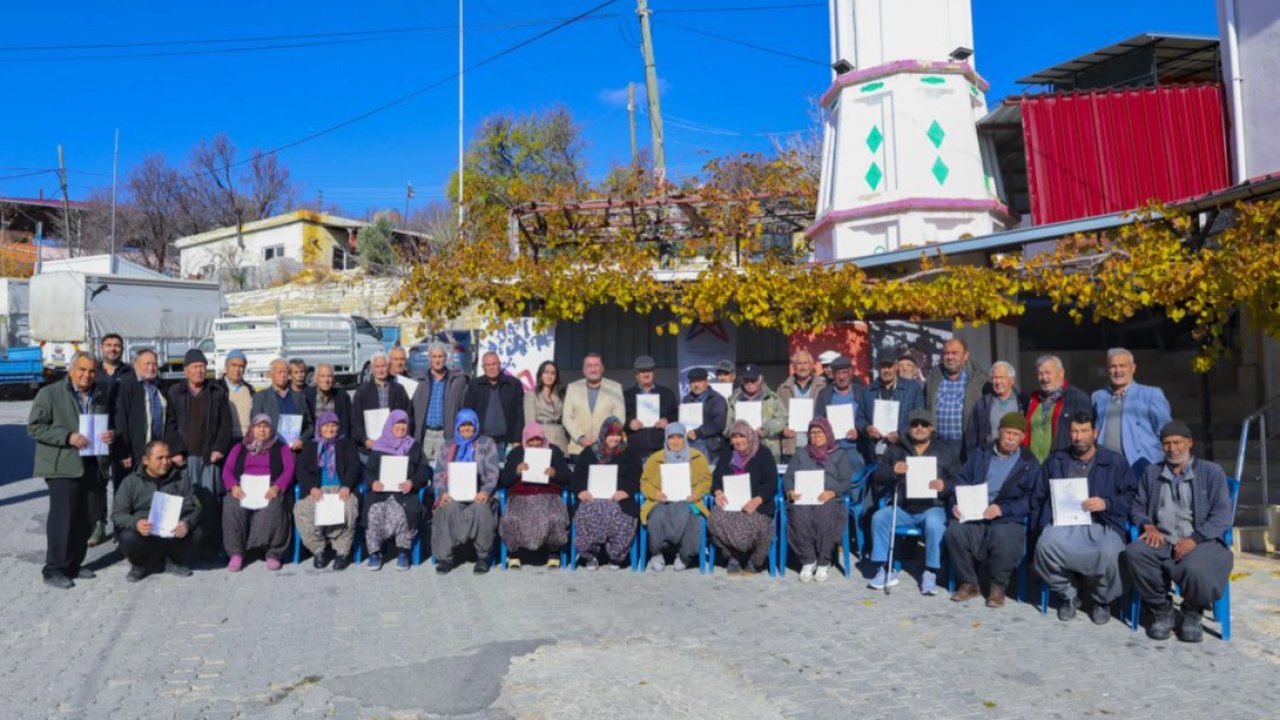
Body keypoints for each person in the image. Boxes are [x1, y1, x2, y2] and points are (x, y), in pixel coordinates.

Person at [1125, 421, 1234, 643]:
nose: (1172, 448)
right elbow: (1137, 506)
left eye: (1177, 442)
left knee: (1197, 567)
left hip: (1201, 540)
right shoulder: (1152, 472)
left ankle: (1192, 611)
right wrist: (1148, 524)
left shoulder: (1211, 472)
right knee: (1135, 552)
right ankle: (1161, 608)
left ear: (1190, 443)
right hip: (1162, 538)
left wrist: (1195, 539)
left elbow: (1222, 514)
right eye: (1166, 443)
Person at [1034, 412, 1136, 624]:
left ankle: (1102, 600)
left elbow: (1131, 498)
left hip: (1101, 522)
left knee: (1112, 553)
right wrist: (1044, 524)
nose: (1078, 437)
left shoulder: (1114, 462)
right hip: (1064, 522)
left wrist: (1106, 503)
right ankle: (1069, 594)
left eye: (1083, 431)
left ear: (1095, 433)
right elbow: (1039, 495)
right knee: (1044, 546)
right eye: (1074, 431)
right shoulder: (1056, 460)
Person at [28, 351, 113, 589]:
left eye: (91, 371)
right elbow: (34, 428)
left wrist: (109, 435)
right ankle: (53, 568)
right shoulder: (51, 393)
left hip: (92, 462)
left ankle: (74, 563)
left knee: (86, 517)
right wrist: (67, 436)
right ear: (71, 370)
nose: (87, 375)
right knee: (63, 518)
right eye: (82, 370)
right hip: (62, 465)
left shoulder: (99, 394)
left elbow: (105, 423)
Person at [945, 412, 1043, 607]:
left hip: (1006, 516)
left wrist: (1003, 509)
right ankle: (970, 582)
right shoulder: (980, 454)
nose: (1011, 438)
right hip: (975, 512)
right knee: (954, 532)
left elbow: (1032, 499)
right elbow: (961, 480)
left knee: (1006, 538)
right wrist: (956, 503)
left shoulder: (1029, 463)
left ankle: (998, 587)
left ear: (1022, 437)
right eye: (1008, 433)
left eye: (1016, 435)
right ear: (999, 432)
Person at [868, 409, 959, 595]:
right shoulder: (896, 449)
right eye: (914, 424)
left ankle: (930, 571)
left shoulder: (945, 450)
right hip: (903, 507)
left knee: (935, 525)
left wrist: (945, 485)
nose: (919, 428)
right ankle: (885, 567)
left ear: (931, 428)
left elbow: (959, 479)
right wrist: (893, 470)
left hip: (932, 507)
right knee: (879, 518)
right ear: (908, 427)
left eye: (924, 424)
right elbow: (877, 476)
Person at [164, 349, 231, 556]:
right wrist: (175, 451)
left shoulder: (216, 392)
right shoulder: (175, 392)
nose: (199, 371)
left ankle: (211, 546)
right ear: (186, 370)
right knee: (188, 501)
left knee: (210, 502)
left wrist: (219, 448)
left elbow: (225, 424)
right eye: (195, 367)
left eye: (202, 366)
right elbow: (170, 424)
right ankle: (187, 545)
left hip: (209, 456)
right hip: (185, 457)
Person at [112, 440, 199, 582]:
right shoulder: (130, 482)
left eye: (168, 457)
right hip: (144, 533)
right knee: (127, 537)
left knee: (197, 533)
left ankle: (171, 562)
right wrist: (136, 523)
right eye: (160, 458)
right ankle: (140, 565)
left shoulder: (181, 478)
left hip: (171, 533)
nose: (166, 462)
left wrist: (186, 523)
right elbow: (117, 514)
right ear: (146, 460)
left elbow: (196, 506)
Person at [106, 348, 167, 547]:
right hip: (132, 452)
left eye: (154, 364)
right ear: (136, 365)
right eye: (147, 363)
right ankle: (123, 536)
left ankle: (151, 532)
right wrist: (122, 451)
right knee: (126, 493)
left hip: (156, 453)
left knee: (150, 494)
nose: (151, 367)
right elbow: (119, 418)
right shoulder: (126, 385)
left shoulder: (160, 386)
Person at [784, 418, 855, 583]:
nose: (815, 436)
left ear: (827, 433)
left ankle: (824, 561)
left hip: (829, 498)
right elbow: (788, 477)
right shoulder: (801, 453)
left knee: (824, 515)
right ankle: (808, 560)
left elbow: (846, 481)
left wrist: (832, 492)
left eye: (819, 432)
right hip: (804, 498)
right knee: (798, 513)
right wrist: (790, 491)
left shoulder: (838, 454)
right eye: (812, 433)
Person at [221, 414, 294, 572]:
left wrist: (277, 487)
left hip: (269, 488)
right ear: (252, 429)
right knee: (231, 504)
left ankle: (273, 553)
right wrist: (233, 486)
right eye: (258, 426)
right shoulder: (239, 447)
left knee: (274, 506)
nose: (262, 430)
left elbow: (289, 469)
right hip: (243, 488)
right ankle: (236, 553)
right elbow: (227, 470)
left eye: (266, 426)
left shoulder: (281, 447)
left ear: (271, 429)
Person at [431, 409, 501, 574]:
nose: (466, 428)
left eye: (470, 424)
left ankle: (483, 558)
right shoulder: (447, 445)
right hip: (453, 496)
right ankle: (445, 558)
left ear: (476, 425)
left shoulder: (487, 443)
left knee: (481, 508)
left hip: (478, 495)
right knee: (447, 508)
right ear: (457, 427)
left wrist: (486, 491)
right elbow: (439, 475)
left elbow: (493, 472)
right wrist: (442, 493)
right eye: (463, 425)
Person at [363, 410, 432, 572]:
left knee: (405, 512)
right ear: (390, 425)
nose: (401, 427)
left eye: (404, 423)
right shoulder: (379, 446)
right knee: (374, 510)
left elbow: (424, 470)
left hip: (405, 493)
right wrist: (373, 483)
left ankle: (403, 552)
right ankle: (374, 552)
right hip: (381, 493)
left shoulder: (413, 446)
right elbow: (368, 470)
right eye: (397, 423)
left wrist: (412, 482)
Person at [497, 422, 573, 568]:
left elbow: (568, 477)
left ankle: (553, 552)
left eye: (538, 439)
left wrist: (555, 473)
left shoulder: (554, 451)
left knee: (555, 517)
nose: (535, 443)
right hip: (521, 496)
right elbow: (503, 480)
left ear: (543, 439)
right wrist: (516, 472)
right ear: (526, 439)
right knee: (511, 518)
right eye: (531, 440)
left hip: (548, 495)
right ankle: (514, 553)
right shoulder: (516, 453)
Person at [293, 412, 361, 571]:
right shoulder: (310, 445)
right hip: (318, 489)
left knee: (349, 509)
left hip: (341, 488)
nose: (330, 429)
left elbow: (354, 466)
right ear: (319, 428)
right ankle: (319, 550)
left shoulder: (347, 443)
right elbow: (301, 471)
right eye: (326, 425)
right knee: (303, 511)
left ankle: (342, 552)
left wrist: (347, 486)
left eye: (333, 425)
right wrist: (312, 487)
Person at [641, 423, 713, 572]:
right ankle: (657, 553)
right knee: (656, 517)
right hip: (663, 501)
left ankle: (684, 556)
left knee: (694, 519)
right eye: (671, 438)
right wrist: (656, 494)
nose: (675, 441)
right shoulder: (655, 458)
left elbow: (706, 479)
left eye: (679, 437)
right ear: (666, 439)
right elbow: (645, 481)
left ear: (685, 438)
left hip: (688, 500)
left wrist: (696, 494)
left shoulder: (697, 457)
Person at [571, 417, 641, 569]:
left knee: (619, 513)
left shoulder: (630, 453)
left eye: (618, 435)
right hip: (592, 498)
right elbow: (577, 477)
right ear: (603, 434)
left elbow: (637, 478)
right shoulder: (589, 453)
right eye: (611, 435)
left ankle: (616, 555)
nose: (615, 439)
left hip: (618, 500)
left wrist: (627, 491)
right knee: (588, 511)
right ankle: (590, 555)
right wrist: (581, 491)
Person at [709, 421, 777, 575]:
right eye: (734, 437)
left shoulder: (763, 454)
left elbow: (771, 483)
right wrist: (718, 492)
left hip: (756, 504)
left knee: (757, 525)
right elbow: (716, 477)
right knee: (714, 520)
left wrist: (757, 500)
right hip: (731, 504)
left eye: (741, 436)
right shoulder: (727, 453)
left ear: (749, 436)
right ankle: (733, 556)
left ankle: (753, 560)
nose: (737, 441)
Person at [1092, 348, 1172, 477]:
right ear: (1107, 370)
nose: (1118, 371)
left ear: (1133, 368)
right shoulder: (1098, 397)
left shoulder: (1151, 394)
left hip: (1142, 465)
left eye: (1122, 366)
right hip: (1107, 468)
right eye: (1113, 366)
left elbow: (1166, 432)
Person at [1024, 354, 1092, 463]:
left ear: (1061, 373)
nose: (1044, 378)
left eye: (1048, 373)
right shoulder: (1033, 400)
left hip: (1062, 464)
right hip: (1033, 466)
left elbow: (1085, 436)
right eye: (1040, 374)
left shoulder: (1077, 398)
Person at [924, 338, 990, 450]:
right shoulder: (933, 377)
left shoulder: (980, 379)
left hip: (967, 445)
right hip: (938, 444)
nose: (950, 357)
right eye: (946, 353)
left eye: (955, 353)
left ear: (965, 355)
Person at [410, 341, 469, 464]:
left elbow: (463, 406)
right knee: (422, 469)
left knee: (442, 472)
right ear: (429, 358)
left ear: (446, 358)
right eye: (434, 356)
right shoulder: (418, 380)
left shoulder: (457, 381)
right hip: (424, 434)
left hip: (445, 434)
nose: (437, 360)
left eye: (440, 356)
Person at [860, 350, 924, 461]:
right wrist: (867, 428)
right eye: (882, 367)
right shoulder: (867, 391)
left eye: (889, 366)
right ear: (877, 368)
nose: (886, 370)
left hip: (904, 448)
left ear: (896, 367)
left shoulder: (912, 388)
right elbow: (859, 416)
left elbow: (919, 415)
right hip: (876, 450)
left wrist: (901, 434)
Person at [564, 353, 626, 457]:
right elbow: (567, 417)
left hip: (607, 449)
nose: (593, 370)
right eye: (589, 366)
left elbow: (620, 418)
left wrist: (604, 438)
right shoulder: (573, 388)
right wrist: (580, 438)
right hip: (579, 449)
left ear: (602, 368)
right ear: (583, 370)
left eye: (596, 365)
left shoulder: (615, 388)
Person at [964, 361, 1028, 458]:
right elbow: (971, 438)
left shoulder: (1023, 402)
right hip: (988, 456)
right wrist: (973, 460)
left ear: (1012, 380)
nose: (997, 382)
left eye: (1001, 377)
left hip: (1015, 457)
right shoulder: (982, 404)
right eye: (994, 378)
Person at [350, 352, 411, 452]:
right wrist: (364, 440)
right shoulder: (362, 392)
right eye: (377, 366)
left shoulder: (399, 390)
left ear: (388, 367)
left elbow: (408, 417)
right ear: (372, 369)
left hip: (395, 446)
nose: (380, 370)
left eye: (383, 366)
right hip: (370, 448)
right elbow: (355, 422)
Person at [724, 364, 787, 461]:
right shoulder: (733, 399)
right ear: (741, 380)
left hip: (768, 447)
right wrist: (738, 433)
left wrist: (766, 429)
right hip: (741, 449)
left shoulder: (772, 398)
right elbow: (727, 426)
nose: (749, 383)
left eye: (753, 380)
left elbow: (783, 419)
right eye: (746, 380)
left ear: (760, 379)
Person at [250, 358, 313, 453]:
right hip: (270, 451)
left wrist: (302, 440)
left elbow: (309, 425)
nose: (283, 375)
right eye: (280, 372)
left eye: (286, 372)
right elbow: (255, 426)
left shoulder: (300, 398)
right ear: (271, 374)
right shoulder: (260, 397)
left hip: (295, 452)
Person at [463, 351, 525, 448]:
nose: (491, 368)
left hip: (506, 442)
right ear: (483, 367)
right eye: (488, 365)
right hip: (480, 441)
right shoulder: (475, 385)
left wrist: (517, 439)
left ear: (499, 365)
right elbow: (467, 413)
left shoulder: (513, 384)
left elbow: (520, 415)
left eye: (494, 364)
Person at [814, 356, 866, 471]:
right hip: (833, 449)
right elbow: (818, 420)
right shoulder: (824, 394)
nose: (842, 377)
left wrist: (859, 431)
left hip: (857, 448)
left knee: (858, 482)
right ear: (833, 374)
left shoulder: (861, 392)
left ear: (851, 373)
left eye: (844, 372)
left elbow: (868, 418)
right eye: (838, 373)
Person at [623, 355, 678, 458]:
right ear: (636, 375)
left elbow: (677, 417)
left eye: (649, 371)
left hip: (663, 451)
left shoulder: (667, 393)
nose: (646, 374)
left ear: (654, 373)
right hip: (636, 453)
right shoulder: (626, 395)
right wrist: (629, 424)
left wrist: (668, 422)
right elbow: (619, 419)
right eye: (642, 371)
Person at [777, 349, 827, 460]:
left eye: (805, 363)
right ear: (794, 366)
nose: (802, 367)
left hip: (816, 445)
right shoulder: (783, 388)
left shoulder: (823, 387)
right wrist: (782, 429)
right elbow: (777, 415)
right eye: (799, 363)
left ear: (811, 365)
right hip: (790, 446)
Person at [682, 367, 728, 462]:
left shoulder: (717, 399)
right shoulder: (686, 400)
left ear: (707, 382)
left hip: (709, 447)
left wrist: (698, 432)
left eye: (699, 381)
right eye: (693, 382)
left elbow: (719, 423)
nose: (696, 385)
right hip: (690, 444)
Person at [523, 360, 569, 452]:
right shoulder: (532, 394)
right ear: (540, 374)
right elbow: (530, 424)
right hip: (542, 438)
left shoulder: (562, 395)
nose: (549, 376)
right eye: (546, 372)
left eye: (553, 373)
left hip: (561, 438)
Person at [304, 363, 353, 441]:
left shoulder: (342, 397)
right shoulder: (306, 396)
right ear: (316, 379)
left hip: (337, 442)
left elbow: (347, 425)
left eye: (329, 376)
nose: (326, 380)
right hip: (313, 443)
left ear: (333, 379)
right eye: (322, 376)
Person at [219, 349, 255, 446]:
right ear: (226, 367)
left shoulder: (250, 390)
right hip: (224, 441)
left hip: (246, 441)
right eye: (233, 365)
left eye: (241, 366)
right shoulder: (217, 388)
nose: (237, 369)